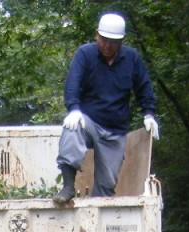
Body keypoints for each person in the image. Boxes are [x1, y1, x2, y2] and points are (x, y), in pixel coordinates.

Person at [53, 12, 159, 205]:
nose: (107, 45)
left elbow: (144, 86)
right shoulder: (85, 54)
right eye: (104, 40)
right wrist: (74, 109)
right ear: (96, 35)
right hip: (89, 121)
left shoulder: (132, 59)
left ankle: (95, 224)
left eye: (113, 41)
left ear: (122, 41)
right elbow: (73, 83)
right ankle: (68, 186)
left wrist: (149, 113)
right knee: (72, 128)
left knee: (106, 186)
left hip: (115, 129)